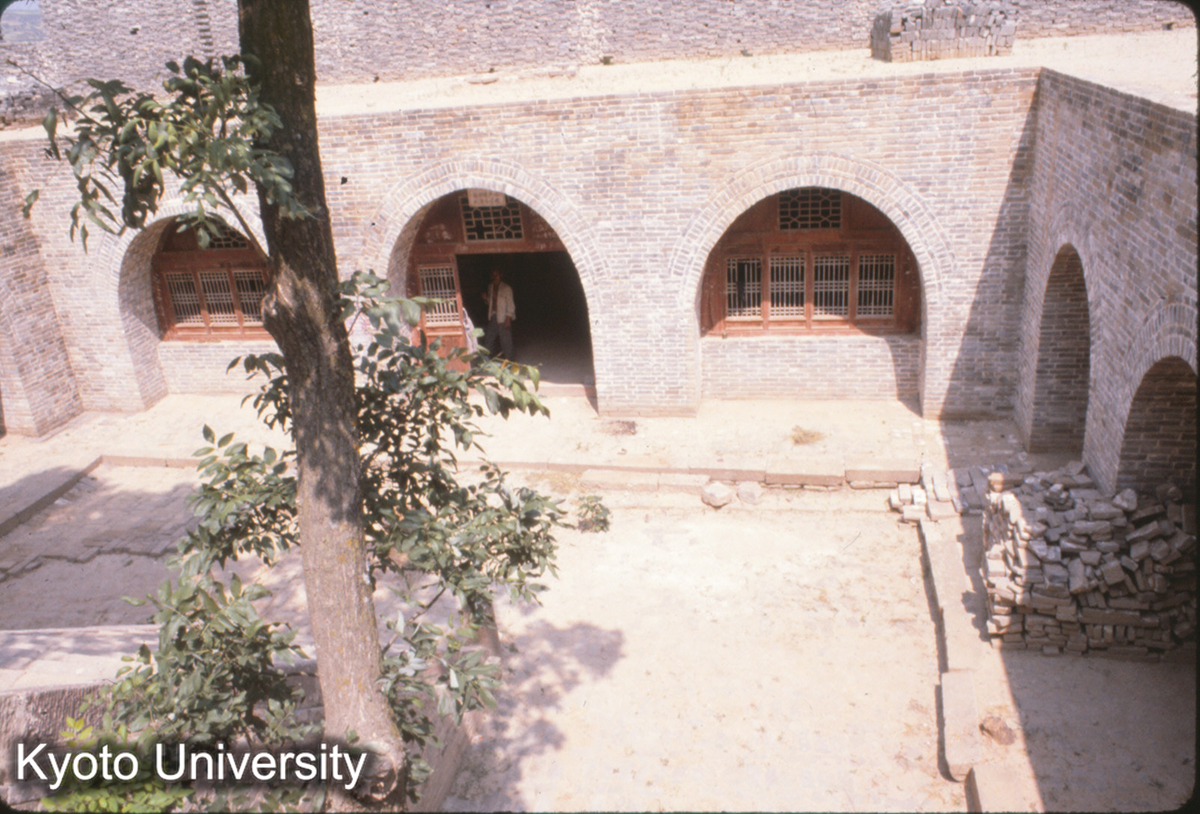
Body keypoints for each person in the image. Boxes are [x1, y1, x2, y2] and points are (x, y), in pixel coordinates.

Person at [481, 268, 515, 359]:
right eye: (493, 275)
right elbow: (492, 303)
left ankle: (509, 361)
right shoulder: (491, 287)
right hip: (493, 316)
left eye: (496, 275)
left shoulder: (506, 288)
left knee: (506, 341)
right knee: (489, 339)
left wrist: (508, 318)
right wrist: (485, 298)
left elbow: (510, 304)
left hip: (503, 317)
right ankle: (487, 362)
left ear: (501, 275)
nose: (494, 277)